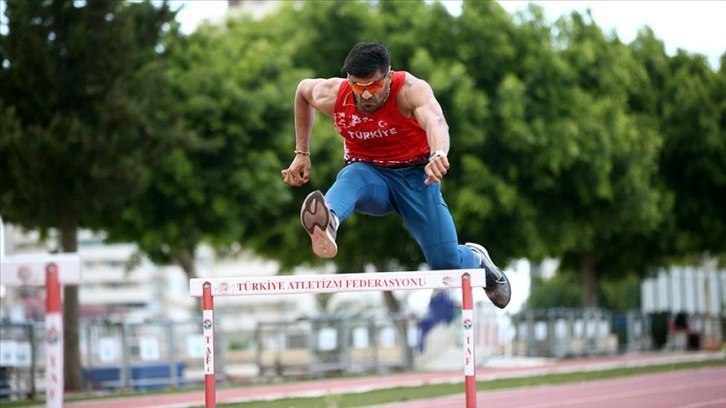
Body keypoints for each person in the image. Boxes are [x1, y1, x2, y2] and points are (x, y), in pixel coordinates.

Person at [281, 41, 511, 309]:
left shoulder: (410, 91)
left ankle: (477, 259)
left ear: (388, 78)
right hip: (370, 178)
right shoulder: (335, 95)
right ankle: (328, 220)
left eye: (375, 87)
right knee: (353, 175)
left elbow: (436, 121)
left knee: (445, 263)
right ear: (349, 80)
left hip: (416, 179)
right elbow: (302, 92)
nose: (366, 96)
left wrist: (438, 154)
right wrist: (302, 152)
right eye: (358, 86)